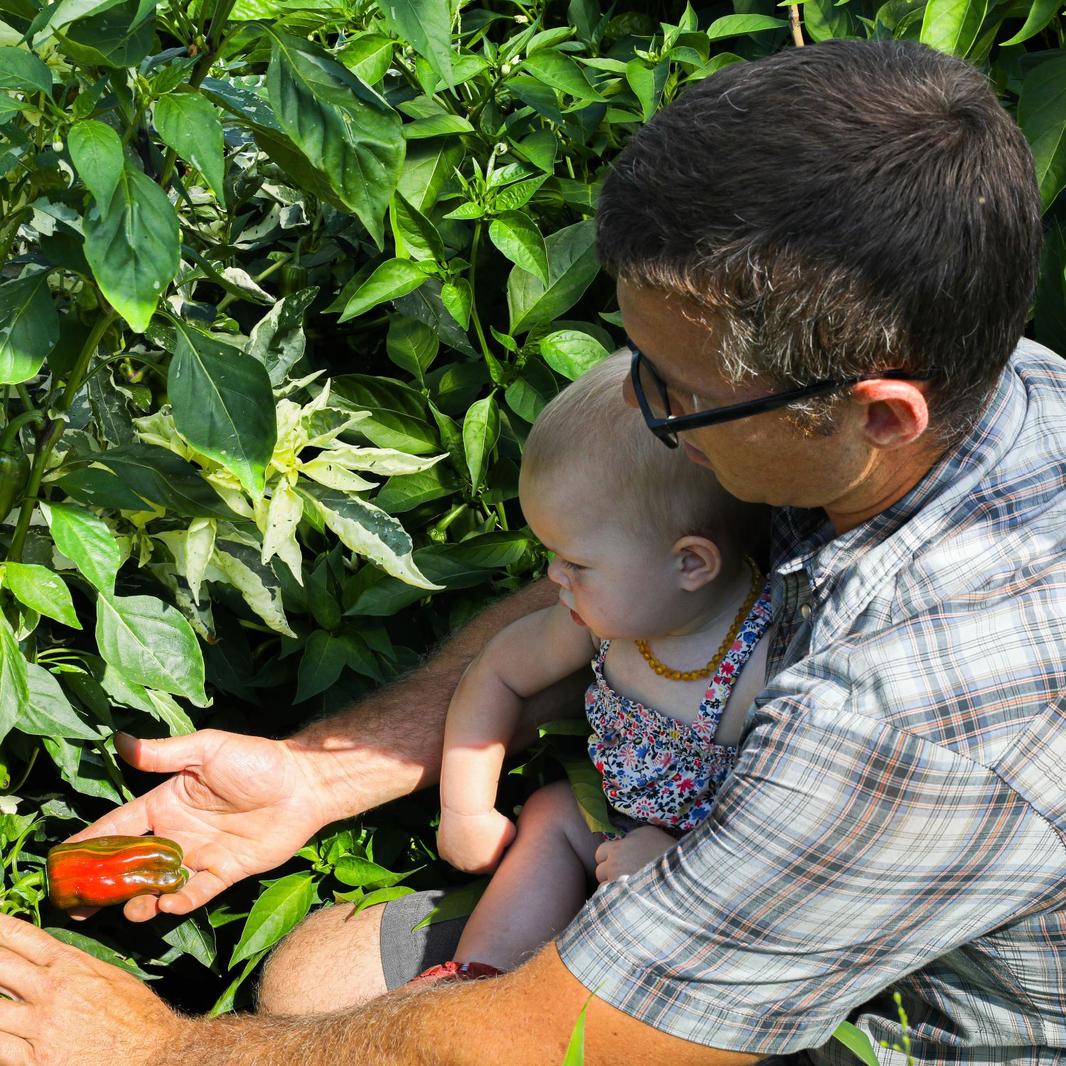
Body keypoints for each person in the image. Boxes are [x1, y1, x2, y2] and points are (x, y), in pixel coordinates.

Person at [0, 36, 1061, 1066]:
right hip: (749, 845)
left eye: (679, 392)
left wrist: (153, 1049)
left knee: (331, 1010)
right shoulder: (961, 364)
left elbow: (568, 1042)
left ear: (880, 413)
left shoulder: (910, 715)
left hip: (896, 1020)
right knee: (318, 980)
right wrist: (318, 780)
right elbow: (614, 603)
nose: (647, 416)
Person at [427, 356, 770, 978]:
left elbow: (782, 832)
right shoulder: (596, 620)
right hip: (614, 828)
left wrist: (676, 869)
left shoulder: (763, 662)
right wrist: (466, 808)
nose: (556, 577)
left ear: (690, 564)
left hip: (710, 882)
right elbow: (499, 672)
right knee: (555, 814)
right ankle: (479, 978)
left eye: (576, 563)